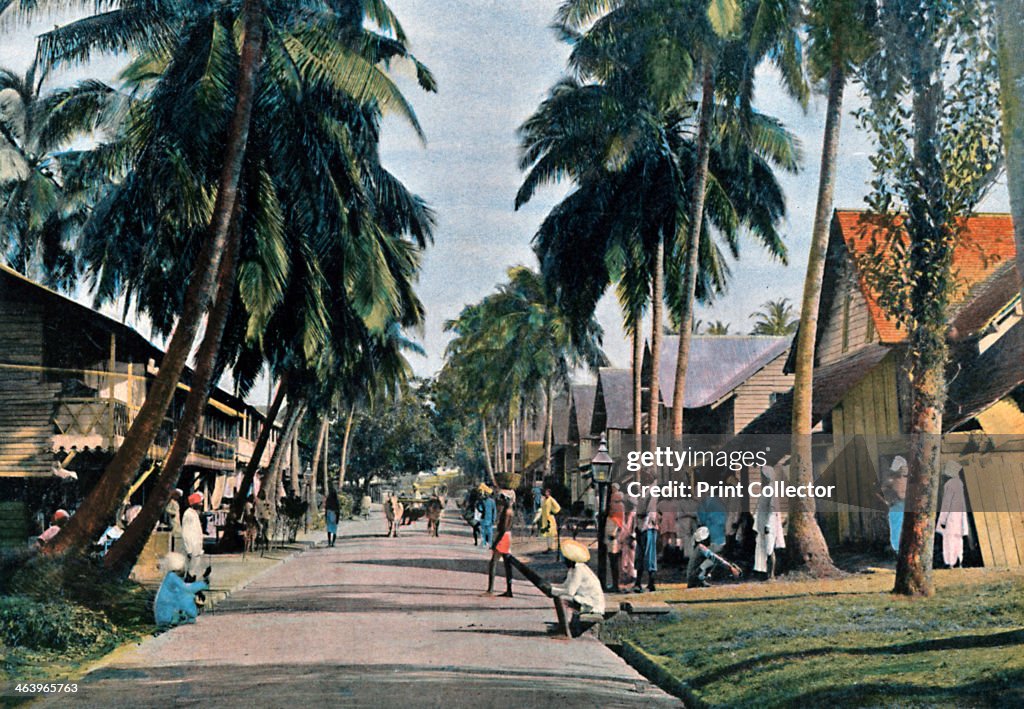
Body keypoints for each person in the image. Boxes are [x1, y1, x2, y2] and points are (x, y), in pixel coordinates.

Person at [154, 552, 210, 627]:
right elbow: (187, 588)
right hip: (167, 613)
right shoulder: (172, 577)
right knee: (187, 597)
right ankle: (190, 616)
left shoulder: (170, 577)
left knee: (184, 597)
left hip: (164, 612)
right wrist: (203, 583)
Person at [552, 539, 605, 614]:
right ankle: (566, 622)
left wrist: (552, 591)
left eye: (565, 559)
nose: (564, 562)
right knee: (563, 598)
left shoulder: (579, 570)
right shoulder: (573, 569)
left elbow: (570, 591)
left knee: (562, 598)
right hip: (587, 601)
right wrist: (552, 587)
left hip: (593, 605)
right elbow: (565, 585)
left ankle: (565, 624)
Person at [754, 466, 786, 579]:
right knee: (766, 550)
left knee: (770, 550)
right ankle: (766, 573)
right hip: (764, 524)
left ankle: (771, 574)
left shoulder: (770, 490)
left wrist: (767, 524)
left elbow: (772, 509)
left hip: (769, 525)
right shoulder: (767, 489)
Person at [938, 460, 969, 567]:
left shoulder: (949, 485)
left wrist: (942, 520)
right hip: (960, 516)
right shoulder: (960, 484)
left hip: (951, 516)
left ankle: (950, 562)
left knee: (949, 539)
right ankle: (959, 560)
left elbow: (946, 504)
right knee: (958, 539)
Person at [486, 492, 515, 597]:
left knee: (493, 563)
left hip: (503, 538)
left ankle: (490, 589)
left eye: (504, 499)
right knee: (507, 564)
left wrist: (496, 542)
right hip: (507, 536)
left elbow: (503, 529)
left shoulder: (507, 512)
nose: (502, 501)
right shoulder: (510, 511)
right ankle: (509, 589)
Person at [633, 488, 659, 592]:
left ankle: (650, 583)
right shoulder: (643, 490)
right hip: (641, 527)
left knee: (649, 556)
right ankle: (638, 582)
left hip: (648, 527)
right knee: (640, 555)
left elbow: (649, 511)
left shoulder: (652, 491)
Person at [884, 456, 909, 553]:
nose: (903, 480)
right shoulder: (892, 481)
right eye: (901, 475)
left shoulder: (899, 481)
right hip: (896, 507)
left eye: (905, 475)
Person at [181, 492, 206, 582]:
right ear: (195, 503)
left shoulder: (194, 514)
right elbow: (186, 532)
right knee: (191, 571)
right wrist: (189, 548)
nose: (202, 504)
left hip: (197, 546)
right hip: (192, 546)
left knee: (194, 569)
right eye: (200, 502)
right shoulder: (188, 514)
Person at [619, 500, 637, 589]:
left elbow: (634, 527)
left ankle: (632, 576)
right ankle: (626, 575)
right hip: (625, 539)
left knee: (631, 559)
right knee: (625, 558)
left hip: (631, 538)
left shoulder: (633, 515)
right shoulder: (624, 515)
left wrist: (633, 537)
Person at [539, 488, 561, 552]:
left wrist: (553, 511)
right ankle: (549, 547)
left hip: (550, 519)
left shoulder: (551, 499)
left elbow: (558, 507)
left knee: (551, 533)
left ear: (549, 493)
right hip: (545, 519)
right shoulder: (543, 499)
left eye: (547, 492)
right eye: (545, 492)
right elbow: (542, 508)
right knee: (547, 534)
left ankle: (551, 547)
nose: (546, 494)